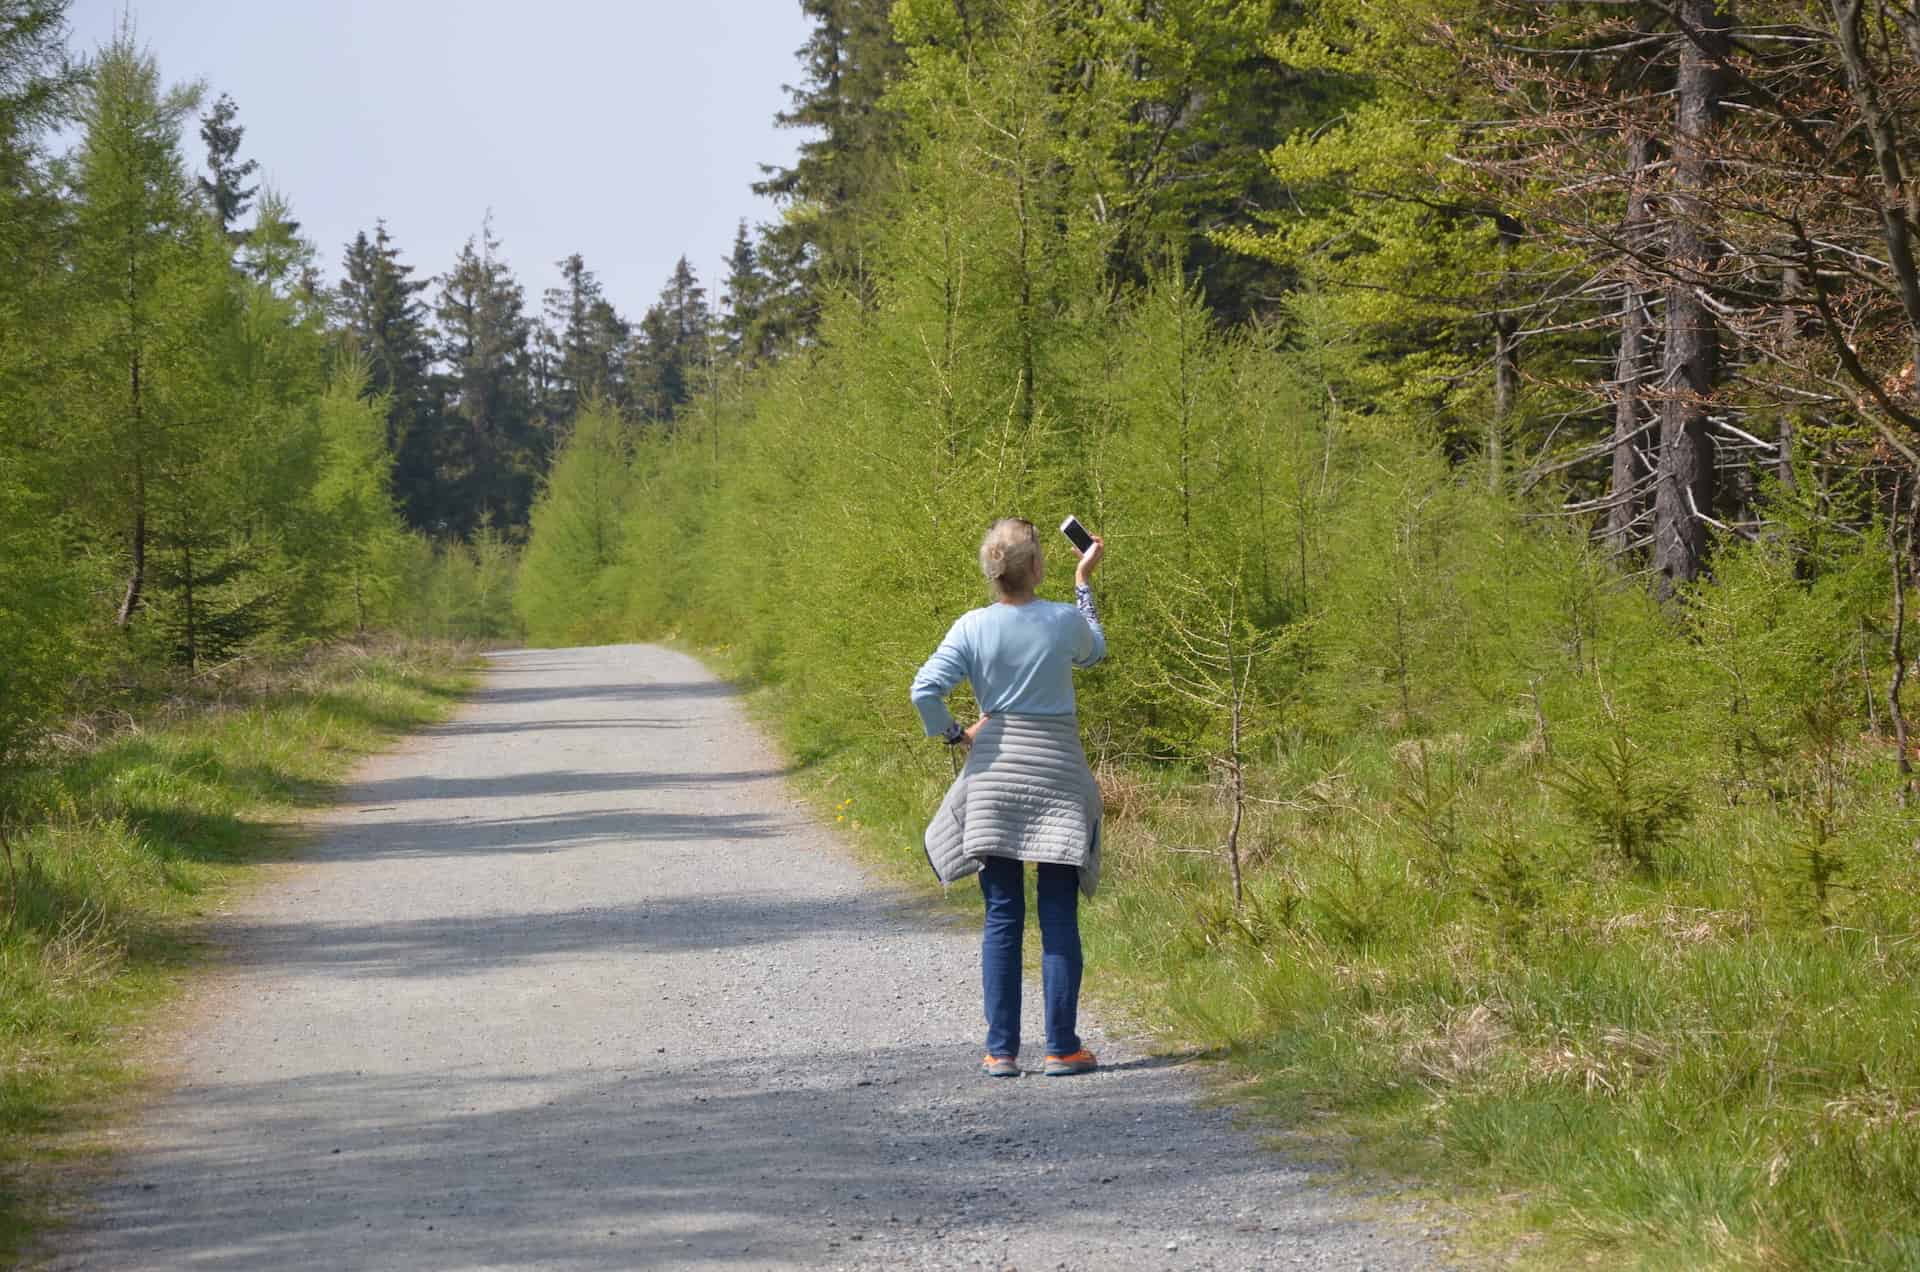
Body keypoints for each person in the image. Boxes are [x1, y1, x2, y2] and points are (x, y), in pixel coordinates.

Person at [912, 517, 1107, 1078]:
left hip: (994, 779)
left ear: (993, 573)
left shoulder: (971, 627)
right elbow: (1095, 652)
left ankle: (1001, 1052)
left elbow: (924, 690)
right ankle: (1062, 1048)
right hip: (1056, 774)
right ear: (1037, 568)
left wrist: (957, 734)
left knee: (1002, 915)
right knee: (1058, 912)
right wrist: (1084, 582)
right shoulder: (1062, 620)